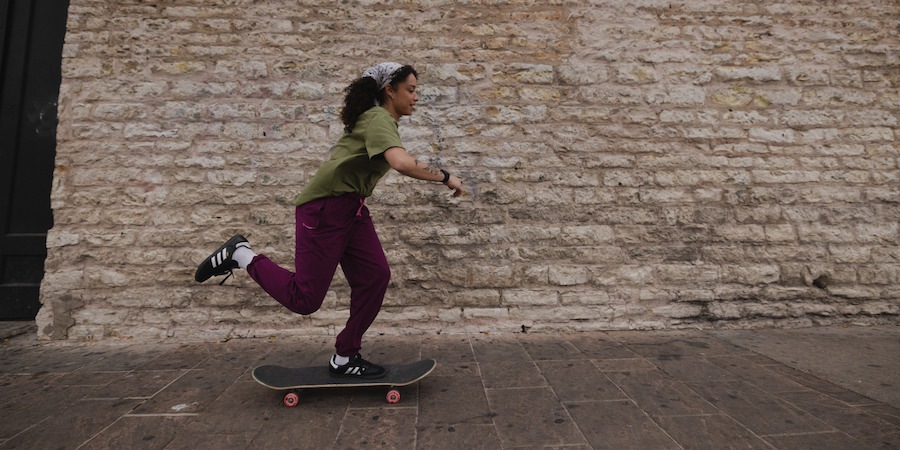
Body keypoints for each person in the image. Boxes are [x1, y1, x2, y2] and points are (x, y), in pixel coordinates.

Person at [194, 62, 463, 378]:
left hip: (352, 208)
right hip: (326, 208)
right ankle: (241, 255)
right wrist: (445, 176)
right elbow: (402, 163)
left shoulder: (381, 121)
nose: (416, 97)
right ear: (389, 90)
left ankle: (346, 356)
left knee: (375, 276)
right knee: (305, 299)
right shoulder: (378, 118)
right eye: (411, 90)